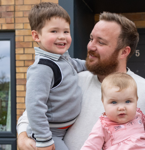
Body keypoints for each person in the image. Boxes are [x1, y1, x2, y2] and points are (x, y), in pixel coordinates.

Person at [17, 12, 145, 150]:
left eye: (101, 42)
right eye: (91, 39)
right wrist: (23, 137)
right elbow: (31, 114)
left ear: (124, 52)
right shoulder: (75, 78)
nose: (91, 46)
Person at [24, 3, 86, 150]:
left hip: (63, 129)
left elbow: (76, 64)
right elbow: (34, 106)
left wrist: (92, 65)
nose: (62, 37)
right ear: (36, 36)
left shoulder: (62, 58)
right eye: (54, 31)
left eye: (66, 31)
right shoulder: (43, 68)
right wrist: (44, 139)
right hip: (50, 132)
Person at [81, 73, 145, 150]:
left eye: (128, 101)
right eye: (114, 102)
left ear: (136, 100)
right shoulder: (103, 125)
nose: (121, 108)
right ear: (103, 102)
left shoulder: (137, 116)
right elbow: (91, 145)